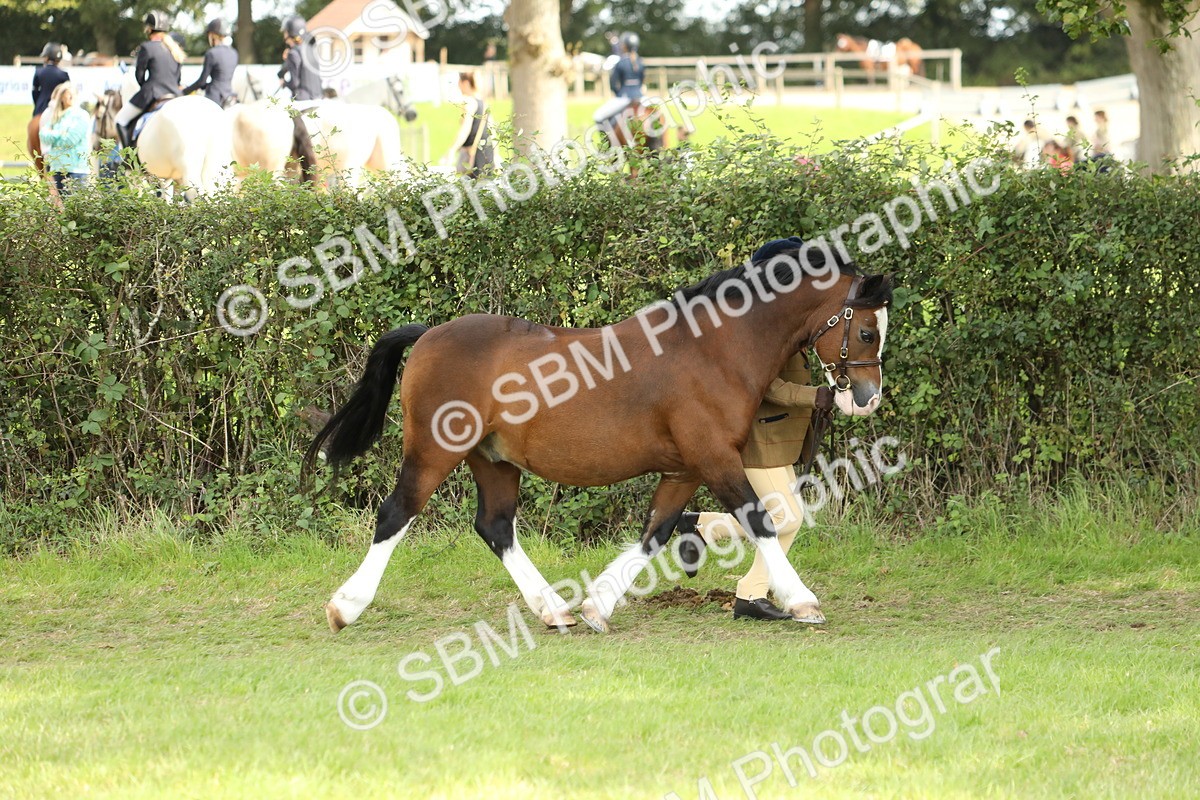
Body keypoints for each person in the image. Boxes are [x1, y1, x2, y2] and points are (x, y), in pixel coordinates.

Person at [674, 237, 836, 622]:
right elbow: (769, 387)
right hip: (758, 434)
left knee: (783, 515)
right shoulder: (756, 326)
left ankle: (704, 530)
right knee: (788, 517)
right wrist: (814, 397)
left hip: (777, 436)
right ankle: (747, 589)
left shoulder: (780, 318)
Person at [114, 11, 185, 150]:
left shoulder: (147, 47)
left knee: (120, 120)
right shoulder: (174, 49)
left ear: (149, 29)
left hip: (152, 93)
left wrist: (144, 87)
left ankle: (130, 160)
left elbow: (139, 75)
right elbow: (178, 78)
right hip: (175, 95)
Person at [39, 83, 92, 199]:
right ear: (62, 97)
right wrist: (60, 133)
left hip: (76, 169)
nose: (71, 97)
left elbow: (70, 140)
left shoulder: (82, 116)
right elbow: (43, 134)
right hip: (58, 168)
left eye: (73, 94)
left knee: (77, 209)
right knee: (62, 210)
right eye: (68, 94)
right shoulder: (57, 117)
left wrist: (54, 137)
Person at [28, 42, 71, 174]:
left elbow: (35, 93)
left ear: (46, 57)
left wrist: (38, 108)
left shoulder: (39, 72)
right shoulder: (64, 74)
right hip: (58, 111)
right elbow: (67, 95)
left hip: (41, 109)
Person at [447, 72, 496, 178]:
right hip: (487, 153)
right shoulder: (484, 103)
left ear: (465, 83)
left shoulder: (469, 102)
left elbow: (465, 130)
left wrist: (452, 149)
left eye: (459, 83)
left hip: (474, 156)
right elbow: (492, 130)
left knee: (470, 189)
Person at [593, 31, 645, 127]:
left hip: (624, 98)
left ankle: (607, 141)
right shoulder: (641, 62)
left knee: (598, 116)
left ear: (624, 46)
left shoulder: (621, 63)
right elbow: (641, 81)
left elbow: (613, 83)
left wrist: (619, 94)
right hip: (641, 97)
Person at [184, 19, 239, 107]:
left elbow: (201, 82)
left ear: (213, 35)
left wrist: (184, 91)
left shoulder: (212, 53)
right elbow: (221, 77)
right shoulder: (234, 53)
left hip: (214, 98)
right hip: (229, 97)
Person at [278, 15, 323, 102]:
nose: (284, 36)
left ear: (289, 33)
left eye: (285, 32)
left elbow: (294, 84)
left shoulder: (293, 53)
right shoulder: (311, 49)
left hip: (303, 101)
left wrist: (284, 83)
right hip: (319, 98)